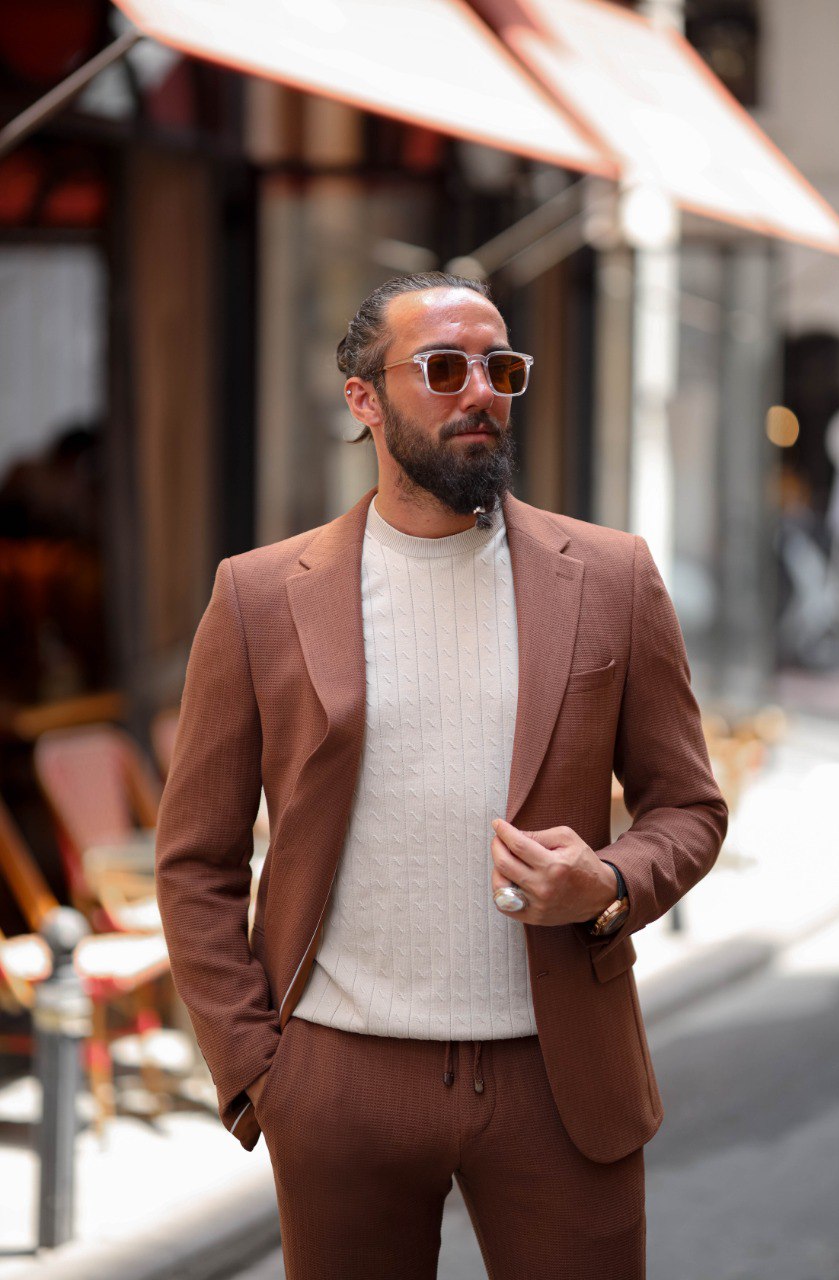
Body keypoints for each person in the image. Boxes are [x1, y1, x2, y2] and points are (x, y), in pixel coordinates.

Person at [155, 271, 728, 1280]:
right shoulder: (257, 596)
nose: (480, 392)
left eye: (499, 368)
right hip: (339, 1075)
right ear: (363, 397)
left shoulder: (611, 576)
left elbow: (688, 805)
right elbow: (196, 857)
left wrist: (608, 882)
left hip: (561, 1072)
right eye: (443, 368)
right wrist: (257, 1063)